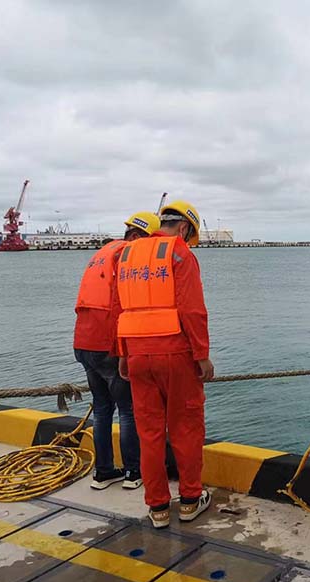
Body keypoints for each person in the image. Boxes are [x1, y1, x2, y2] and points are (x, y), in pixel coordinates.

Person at [116, 200, 214, 529]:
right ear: (185, 228)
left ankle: (157, 507)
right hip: (175, 353)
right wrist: (202, 354)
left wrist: (123, 354)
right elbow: (192, 310)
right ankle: (189, 500)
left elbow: (120, 310)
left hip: (138, 355)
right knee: (186, 428)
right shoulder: (179, 252)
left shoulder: (127, 254)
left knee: (149, 432)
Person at [73, 211, 160, 490]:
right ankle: (133, 473)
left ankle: (103, 472)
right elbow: (119, 303)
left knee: (101, 410)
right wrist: (124, 349)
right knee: (128, 411)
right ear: (137, 237)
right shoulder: (125, 255)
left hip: (83, 342)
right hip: (107, 345)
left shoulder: (104, 251)